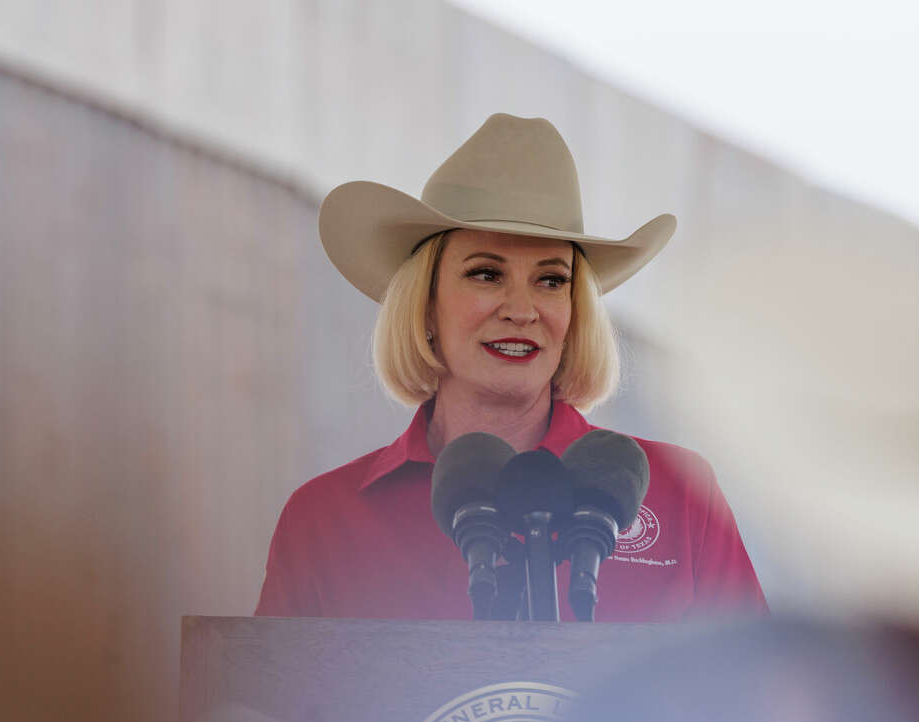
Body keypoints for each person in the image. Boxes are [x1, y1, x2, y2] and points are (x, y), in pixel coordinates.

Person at [256, 113, 765, 621]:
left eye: (550, 280)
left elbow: (764, 694)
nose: (522, 310)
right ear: (425, 305)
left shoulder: (683, 497)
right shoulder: (324, 521)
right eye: (486, 274)